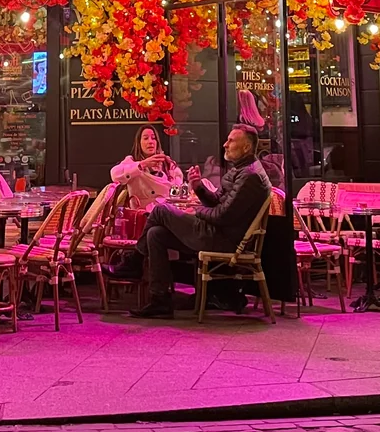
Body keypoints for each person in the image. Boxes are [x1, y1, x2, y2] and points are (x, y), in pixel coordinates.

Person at [107, 124, 272, 318]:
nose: (225, 144)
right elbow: (217, 201)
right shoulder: (239, 170)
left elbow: (222, 216)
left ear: (246, 147)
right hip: (215, 232)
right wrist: (199, 187)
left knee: (160, 210)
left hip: (223, 240)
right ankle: (159, 300)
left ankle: (134, 262)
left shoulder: (250, 176)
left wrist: (196, 209)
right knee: (155, 234)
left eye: (231, 141)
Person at [111, 126, 185, 210]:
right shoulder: (133, 162)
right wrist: (142, 165)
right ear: (139, 142)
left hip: (167, 212)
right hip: (143, 215)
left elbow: (178, 190)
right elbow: (115, 174)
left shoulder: (168, 164)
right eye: (146, 138)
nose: (150, 142)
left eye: (153, 138)